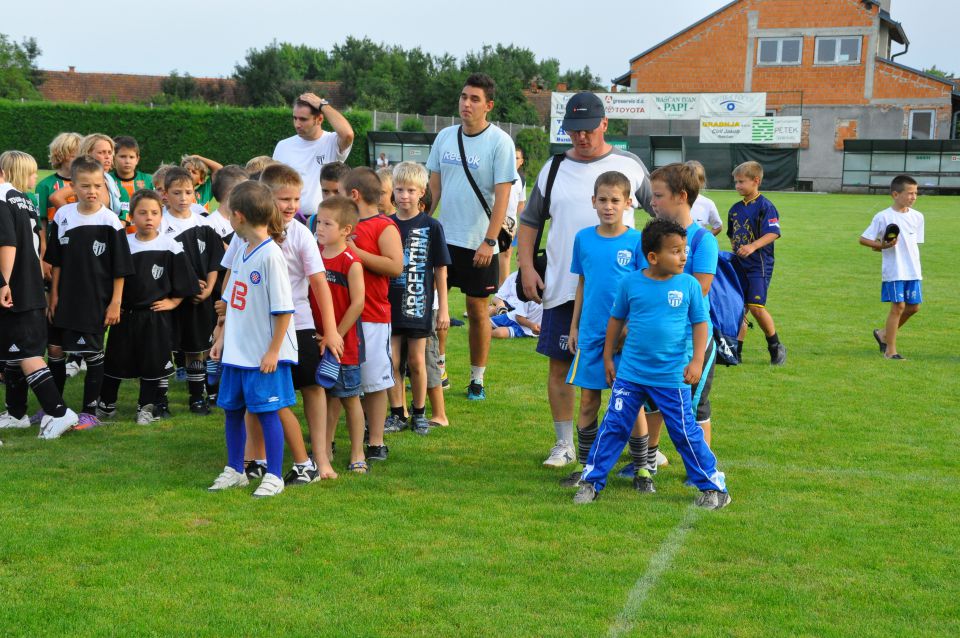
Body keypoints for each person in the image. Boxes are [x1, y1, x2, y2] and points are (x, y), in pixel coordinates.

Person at [517, 91, 652, 467]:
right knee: (561, 365)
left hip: (620, 296)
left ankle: (645, 451)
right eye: (573, 130)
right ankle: (564, 445)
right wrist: (526, 266)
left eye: (588, 129)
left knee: (631, 370)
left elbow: (660, 216)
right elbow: (530, 221)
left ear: (604, 124)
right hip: (565, 287)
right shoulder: (554, 167)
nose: (581, 137)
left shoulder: (630, 165)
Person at [573, 218, 730, 510]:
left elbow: (700, 324)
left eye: (684, 249)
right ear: (653, 257)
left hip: (671, 376)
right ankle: (591, 482)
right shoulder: (630, 283)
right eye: (676, 251)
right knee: (614, 427)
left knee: (684, 432)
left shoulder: (689, 285)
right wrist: (608, 357)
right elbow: (616, 320)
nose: (683, 256)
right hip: (631, 374)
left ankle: (714, 487)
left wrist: (697, 360)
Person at [231, 163, 341, 485]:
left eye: (296, 198)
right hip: (256, 329)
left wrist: (331, 329)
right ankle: (257, 458)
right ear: (264, 199)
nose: (291, 206)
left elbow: (319, 284)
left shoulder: (301, 234)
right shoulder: (247, 234)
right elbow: (232, 276)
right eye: (284, 199)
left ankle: (318, 458)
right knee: (258, 392)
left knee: (311, 387)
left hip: (299, 324)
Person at [426, 72, 517, 400]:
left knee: (478, 311)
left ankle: (477, 378)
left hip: (480, 243)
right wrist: (421, 226)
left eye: (475, 99)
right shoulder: (445, 137)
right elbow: (433, 188)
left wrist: (489, 241)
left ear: (488, 106)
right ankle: (440, 366)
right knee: (435, 307)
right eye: (464, 97)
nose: (466, 103)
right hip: (443, 239)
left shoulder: (500, 142)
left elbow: (503, 196)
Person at [208, 181, 297, 498]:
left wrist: (273, 351)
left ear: (239, 216)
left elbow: (284, 310)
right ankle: (235, 469)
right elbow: (233, 302)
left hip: (263, 354)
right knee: (232, 410)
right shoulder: (243, 249)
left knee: (267, 411)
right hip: (236, 350)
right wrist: (221, 338)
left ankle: (274, 475)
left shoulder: (271, 255)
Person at [560, 171, 647, 489]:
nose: (608, 206)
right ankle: (586, 466)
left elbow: (643, 287)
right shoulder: (584, 238)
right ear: (593, 201)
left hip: (626, 337)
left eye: (615, 200)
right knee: (588, 401)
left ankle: (642, 469)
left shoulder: (637, 241)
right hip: (592, 334)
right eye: (603, 200)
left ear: (628, 203)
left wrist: (630, 326)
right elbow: (582, 283)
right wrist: (574, 326)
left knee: (629, 402)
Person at [44, 155, 134, 429]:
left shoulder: (109, 221)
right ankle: (55, 409)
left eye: (97, 185)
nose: (91, 191)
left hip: (95, 299)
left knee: (93, 354)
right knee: (56, 350)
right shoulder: (63, 216)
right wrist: (53, 295)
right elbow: (56, 262)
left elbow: (121, 268)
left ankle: (89, 412)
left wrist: (116, 302)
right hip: (64, 297)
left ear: (104, 187)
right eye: (85, 186)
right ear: (73, 186)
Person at [96, 190, 199, 424]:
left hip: (155, 318)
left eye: (154, 213)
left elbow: (186, 281)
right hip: (126, 316)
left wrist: (174, 301)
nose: (149, 218)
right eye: (142, 213)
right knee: (115, 361)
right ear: (132, 216)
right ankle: (106, 405)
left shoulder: (170, 246)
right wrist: (116, 302)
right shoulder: (124, 244)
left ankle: (145, 408)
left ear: (161, 216)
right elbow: (111, 277)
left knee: (153, 363)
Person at [0, 150, 79, 440]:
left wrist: (4, 281)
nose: (36, 178)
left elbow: (6, 243)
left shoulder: (2, 199)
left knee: (27, 354)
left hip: (16, 288)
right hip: (30, 285)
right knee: (13, 351)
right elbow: (39, 245)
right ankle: (17, 413)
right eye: (33, 173)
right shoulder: (26, 203)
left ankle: (59, 413)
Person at [340, 167, 403, 462]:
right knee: (342, 380)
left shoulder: (383, 226)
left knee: (375, 381)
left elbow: (395, 266)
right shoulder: (340, 224)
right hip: (341, 315)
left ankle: (376, 441)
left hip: (373, 316)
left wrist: (356, 253)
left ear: (354, 195)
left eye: (338, 193)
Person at [384, 162, 450, 436]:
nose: (404, 196)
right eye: (399, 189)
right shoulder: (386, 225)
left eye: (411, 190)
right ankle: (398, 413)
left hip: (419, 305)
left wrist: (443, 309)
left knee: (417, 360)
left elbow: (440, 270)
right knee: (391, 360)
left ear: (422, 192)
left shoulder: (432, 226)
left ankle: (420, 412)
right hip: (389, 306)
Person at [161, 167, 225, 413]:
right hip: (171, 298)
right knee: (165, 348)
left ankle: (197, 397)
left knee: (196, 348)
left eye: (188, 192)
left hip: (199, 300)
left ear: (196, 194)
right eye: (177, 192)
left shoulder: (204, 223)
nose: (183, 197)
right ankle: (160, 398)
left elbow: (213, 261)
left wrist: (209, 288)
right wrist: (182, 287)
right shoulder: (161, 223)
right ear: (165, 194)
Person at [311, 195, 367, 473]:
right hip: (318, 340)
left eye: (327, 224)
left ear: (345, 230)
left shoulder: (350, 261)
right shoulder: (314, 255)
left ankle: (358, 452)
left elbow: (358, 302)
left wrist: (337, 335)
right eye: (318, 222)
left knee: (349, 397)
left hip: (343, 344)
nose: (319, 228)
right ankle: (325, 447)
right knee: (325, 396)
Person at [859, 174, 924, 360]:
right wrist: (882, 246)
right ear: (895, 194)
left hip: (913, 270)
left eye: (916, 193)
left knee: (913, 308)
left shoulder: (918, 217)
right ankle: (890, 351)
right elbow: (864, 239)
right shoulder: (883, 216)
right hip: (895, 270)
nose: (913, 197)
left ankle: (883, 334)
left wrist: (881, 247)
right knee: (898, 307)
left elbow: (912, 244)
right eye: (909, 193)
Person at [728, 161, 785, 365]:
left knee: (756, 306)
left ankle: (775, 346)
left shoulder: (765, 206)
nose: (737, 186)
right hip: (738, 265)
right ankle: (736, 351)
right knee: (739, 307)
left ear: (756, 181)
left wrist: (752, 246)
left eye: (742, 182)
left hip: (758, 265)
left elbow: (773, 233)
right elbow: (732, 235)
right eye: (736, 182)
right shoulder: (734, 209)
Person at [272, 93, 354, 220]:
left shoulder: (332, 141)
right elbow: (273, 184)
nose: (297, 124)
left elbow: (348, 134)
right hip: (287, 219)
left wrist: (323, 105)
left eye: (303, 119)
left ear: (319, 119)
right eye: (295, 118)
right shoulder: (283, 146)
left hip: (324, 219)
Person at [36, 132, 81, 225]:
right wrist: (43, 240)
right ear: (61, 155)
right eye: (73, 156)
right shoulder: (44, 185)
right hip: (53, 237)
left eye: (81, 156)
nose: (79, 160)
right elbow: (41, 219)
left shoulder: (89, 183)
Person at [498, 146, 526, 287]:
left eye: (516, 158)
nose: (513, 160)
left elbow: (520, 204)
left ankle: (503, 291)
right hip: (494, 220)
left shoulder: (522, 179)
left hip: (510, 223)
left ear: (522, 161)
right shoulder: (498, 174)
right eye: (511, 157)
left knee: (507, 255)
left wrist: (521, 225)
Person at [78, 134, 123, 218]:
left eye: (109, 152)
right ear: (88, 155)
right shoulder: (81, 178)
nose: (107, 157)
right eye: (101, 152)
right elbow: (56, 197)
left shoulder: (109, 178)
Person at [111, 136, 154, 222]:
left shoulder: (149, 180)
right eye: (122, 156)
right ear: (113, 158)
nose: (127, 161)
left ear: (137, 159)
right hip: (117, 230)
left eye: (131, 157)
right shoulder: (108, 180)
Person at [685, 160, 721, 236]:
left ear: (702, 182)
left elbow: (718, 226)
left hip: (697, 247)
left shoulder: (707, 203)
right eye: (688, 180)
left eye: (695, 180)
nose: (691, 184)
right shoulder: (673, 201)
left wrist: (703, 239)